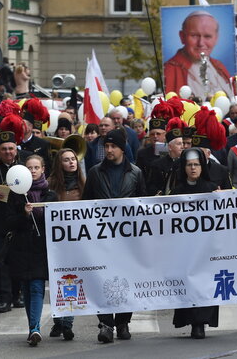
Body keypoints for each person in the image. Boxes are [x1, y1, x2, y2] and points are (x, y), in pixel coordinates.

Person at [83, 129, 146, 343]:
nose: (108, 150)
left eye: (113, 146)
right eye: (106, 146)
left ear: (122, 148)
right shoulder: (94, 172)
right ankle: (106, 324)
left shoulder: (136, 173)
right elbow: (85, 205)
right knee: (102, 280)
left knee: (126, 279)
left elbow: (142, 206)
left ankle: (123, 321)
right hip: (101, 238)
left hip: (128, 239)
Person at [5, 155, 57, 346]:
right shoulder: (15, 194)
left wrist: (37, 214)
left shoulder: (50, 194)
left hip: (40, 248)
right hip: (20, 248)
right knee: (26, 289)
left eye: (36, 167)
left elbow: (56, 223)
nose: (33, 171)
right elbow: (8, 222)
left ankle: (35, 329)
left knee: (36, 287)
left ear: (43, 169)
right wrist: (24, 215)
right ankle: (32, 327)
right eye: (29, 168)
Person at [170, 148, 220, 338]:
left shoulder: (211, 189)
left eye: (196, 165)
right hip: (185, 249)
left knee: (205, 284)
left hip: (206, 248)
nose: (193, 168)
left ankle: (201, 322)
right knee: (189, 284)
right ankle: (191, 322)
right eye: (189, 165)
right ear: (184, 167)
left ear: (202, 166)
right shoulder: (176, 192)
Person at [0, 116, 32, 313]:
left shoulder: (24, 167)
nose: (7, 152)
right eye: (4, 148)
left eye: (11, 148)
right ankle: (4, 298)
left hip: (19, 220)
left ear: (16, 149)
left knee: (18, 258)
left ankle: (17, 295)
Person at [46, 148, 84, 340]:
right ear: (59, 164)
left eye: (73, 159)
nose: (71, 162)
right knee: (56, 283)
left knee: (72, 281)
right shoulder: (50, 185)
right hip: (55, 244)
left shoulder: (84, 185)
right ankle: (58, 321)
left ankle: (67, 323)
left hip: (76, 243)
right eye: (66, 160)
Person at [164, 10, 233, 97]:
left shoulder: (219, 67)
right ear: (182, 37)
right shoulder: (171, 69)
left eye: (207, 36)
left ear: (216, 38)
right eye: (195, 35)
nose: (201, 43)